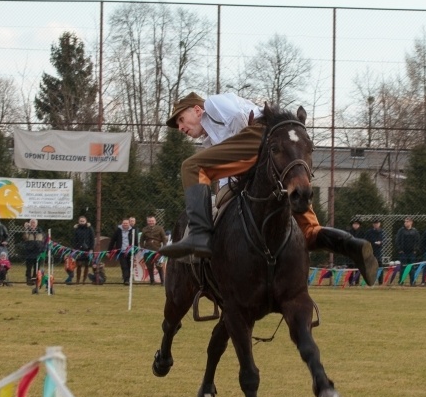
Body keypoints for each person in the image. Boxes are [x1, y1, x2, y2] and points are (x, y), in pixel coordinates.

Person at [157, 91, 377, 284]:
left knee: (191, 166)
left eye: (181, 119)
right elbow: (225, 171)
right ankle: (350, 245)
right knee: (307, 228)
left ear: (197, 110)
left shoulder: (213, 105)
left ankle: (199, 235)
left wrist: (244, 146)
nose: (180, 127)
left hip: (259, 137)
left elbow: (238, 117)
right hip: (266, 150)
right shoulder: (211, 140)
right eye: (178, 125)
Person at [140, 215, 168, 284]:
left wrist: (164, 247)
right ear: (147, 222)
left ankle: (162, 281)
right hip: (147, 250)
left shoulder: (160, 229)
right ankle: (152, 281)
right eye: (149, 221)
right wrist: (143, 247)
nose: (151, 222)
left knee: (159, 266)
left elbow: (164, 239)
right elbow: (141, 240)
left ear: (155, 221)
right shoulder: (144, 229)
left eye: (152, 221)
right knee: (149, 266)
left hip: (157, 250)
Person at [109, 218, 135, 285]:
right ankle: (126, 280)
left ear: (129, 224)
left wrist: (135, 251)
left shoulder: (132, 231)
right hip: (121, 252)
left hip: (130, 251)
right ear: (122, 224)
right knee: (124, 266)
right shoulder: (118, 231)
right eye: (124, 223)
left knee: (129, 266)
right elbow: (112, 240)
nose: (125, 224)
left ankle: (128, 278)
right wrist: (109, 251)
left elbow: (135, 242)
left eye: (126, 223)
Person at [395, 217, 420, 284]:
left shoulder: (415, 231)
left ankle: (412, 281)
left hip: (412, 252)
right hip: (403, 252)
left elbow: (418, 241)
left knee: (412, 267)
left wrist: (415, 250)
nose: (406, 223)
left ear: (411, 222)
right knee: (403, 267)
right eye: (405, 221)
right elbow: (397, 240)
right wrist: (400, 249)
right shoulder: (401, 231)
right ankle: (401, 281)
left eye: (407, 221)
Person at [72, 216, 95, 284]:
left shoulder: (89, 228)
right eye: (80, 221)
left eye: (83, 221)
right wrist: (74, 248)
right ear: (78, 222)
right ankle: (78, 280)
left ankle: (84, 280)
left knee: (86, 265)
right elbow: (74, 239)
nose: (82, 222)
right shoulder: (76, 229)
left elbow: (92, 239)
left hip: (87, 249)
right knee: (78, 264)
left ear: (86, 221)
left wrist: (91, 249)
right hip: (78, 249)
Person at [21, 218, 45, 284]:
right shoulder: (27, 231)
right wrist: (26, 229)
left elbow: (42, 240)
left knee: (37, 266)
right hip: (29, 251)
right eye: (32, 223)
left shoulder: (40, 231)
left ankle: (35, 278)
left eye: (34, 223)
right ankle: (28, 279)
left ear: (36, 224)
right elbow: (25, 238)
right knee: (29, 266)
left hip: (38, 250)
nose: (33, 224)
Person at [363, 219, 385, 284]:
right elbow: (366, 241)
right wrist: (373, 243)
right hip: (371, 251)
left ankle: (380, 281)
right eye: (375, 223)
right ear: (373, 224)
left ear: (379, 224)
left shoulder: (382, 232)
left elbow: (384, 240)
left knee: (380, 266)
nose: (376, 225)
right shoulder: (369, 232)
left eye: (377, 223)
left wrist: (381, 243)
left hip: (379, 251)